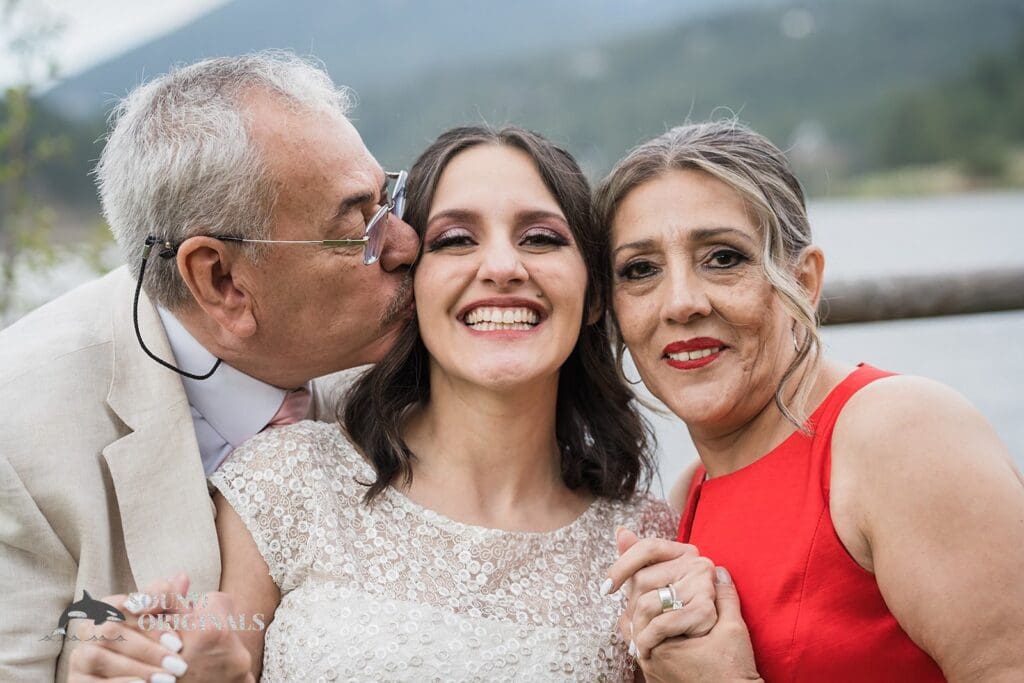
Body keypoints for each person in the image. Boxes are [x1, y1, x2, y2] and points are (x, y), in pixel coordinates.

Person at [75, 125, 680, 681]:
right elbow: (223, 650)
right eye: (456, 239)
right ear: (410, 282)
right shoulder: (290, 479)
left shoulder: (647, 537)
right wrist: (179, 662)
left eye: (541, 238)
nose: (501, 267)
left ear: (596, 293)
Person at [0, 51, 419, 682]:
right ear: (221, 279)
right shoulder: (18, 431)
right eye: (357, 225)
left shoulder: (418, 357)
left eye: (390, 199)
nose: (407, 244)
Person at [595, 121, 1024, 681]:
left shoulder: (899, 434)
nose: (681, 303)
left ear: (804, 279)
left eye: (723, 258)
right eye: (641, 270)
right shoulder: (690, 495)